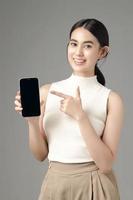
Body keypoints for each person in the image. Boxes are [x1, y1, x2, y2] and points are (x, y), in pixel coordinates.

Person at [14, 18, 124, 200]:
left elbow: (105, 164)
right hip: (55, 184)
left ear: (102, 52)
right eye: (74, 44)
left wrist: (80, 116)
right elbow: (40, 155)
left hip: (95, 185)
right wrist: (32, 122)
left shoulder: (112, 100)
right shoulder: (46, 92)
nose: (78, 52)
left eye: (87, 46)